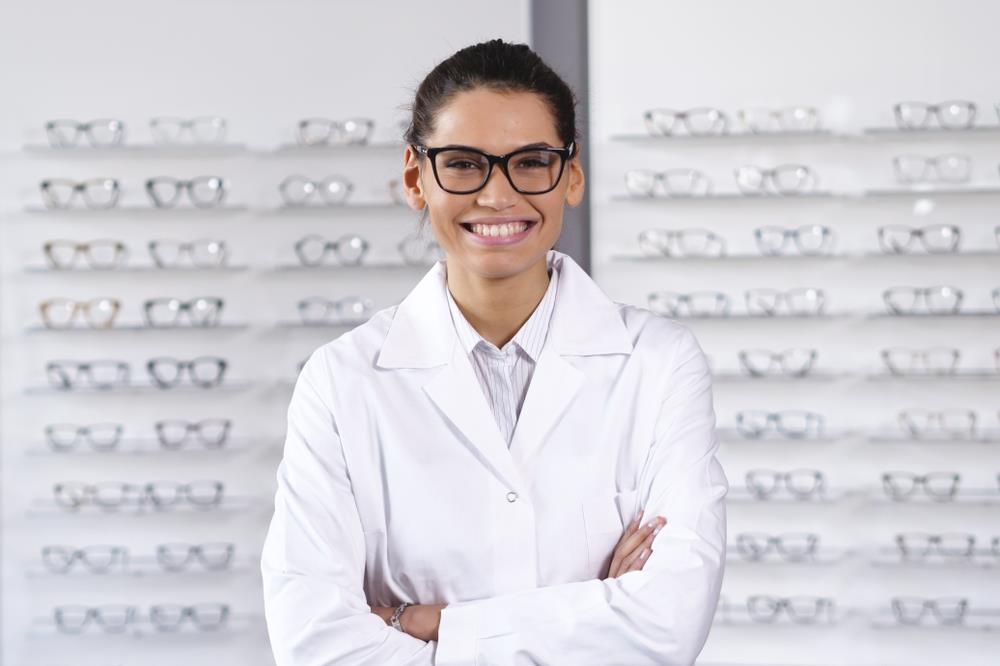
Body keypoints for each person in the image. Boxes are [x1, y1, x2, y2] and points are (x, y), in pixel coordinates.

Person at [261, 39, 727, 665]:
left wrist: (423, 622)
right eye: (462, 163)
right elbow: (315, 643)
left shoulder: (658, 362)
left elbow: (668, 623)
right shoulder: (342, 380)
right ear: (415, 177)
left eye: (532, 161)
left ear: (573, 174)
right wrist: (594, 608)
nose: (498, 195)